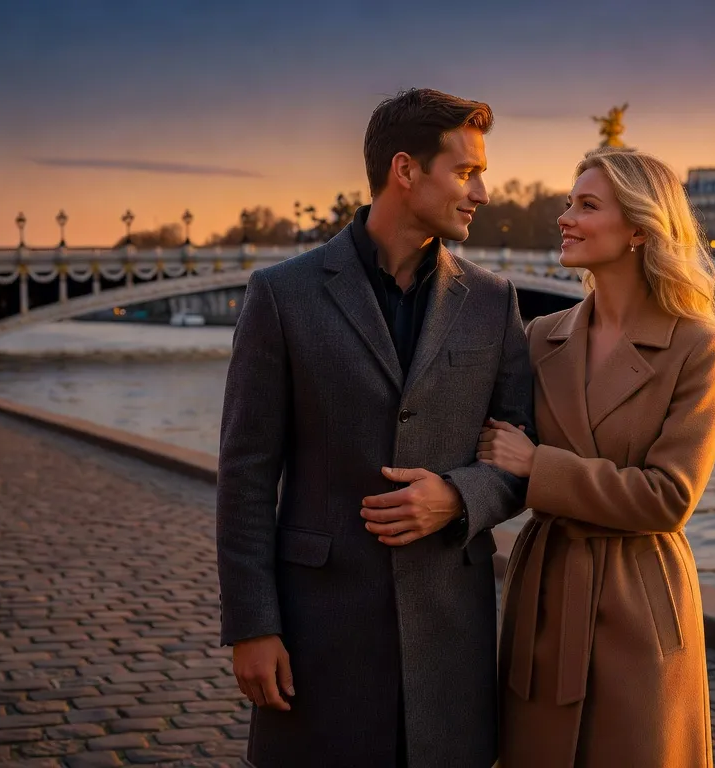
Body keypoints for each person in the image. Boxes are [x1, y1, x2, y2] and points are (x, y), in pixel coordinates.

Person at [216, 88, 533, 767]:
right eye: (466, 171)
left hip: (450, 634)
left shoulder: (495, 302)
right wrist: (252, 625)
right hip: (318, 630)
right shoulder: (282, 294)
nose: (482, 191)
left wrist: (457, 496)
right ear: (405, 170)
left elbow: (518, 458)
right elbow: (245, 475)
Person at [479, 147, 715, 767]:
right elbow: (487, 444)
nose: (565, 218)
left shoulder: (699, 346)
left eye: (587, 205)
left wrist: (538, 465)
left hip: (638, 598)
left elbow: (669, 498)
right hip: (545, 589)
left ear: (640, 230)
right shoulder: (541, 337)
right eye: (569, 203)